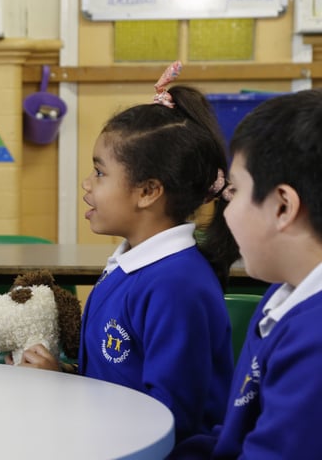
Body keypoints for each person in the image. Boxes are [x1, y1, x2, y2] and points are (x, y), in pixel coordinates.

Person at [17, 62, 240, 444]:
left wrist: (65, 394)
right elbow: (117, 381)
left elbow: (168, 419)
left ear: (148, 191)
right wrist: (63, 375)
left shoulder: (176, 286)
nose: (87, 185)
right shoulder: (130, 266)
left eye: (100, 173)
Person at [170, 89, 322, 459]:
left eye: (234, 191)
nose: (226, 211)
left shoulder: (314, 340)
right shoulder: (282, 295)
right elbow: (232, 436)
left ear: (283, 205)